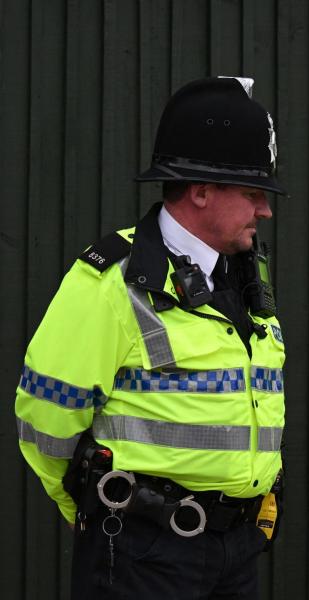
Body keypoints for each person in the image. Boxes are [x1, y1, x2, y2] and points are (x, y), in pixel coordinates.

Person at [15, 76, 287, 600]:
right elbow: (45, 417)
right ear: (201, 191)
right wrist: (87, 508)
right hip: (144, 552)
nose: (266, 210)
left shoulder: (245, 277)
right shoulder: (112, 283)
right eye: (254, 193)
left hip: (237, 550)